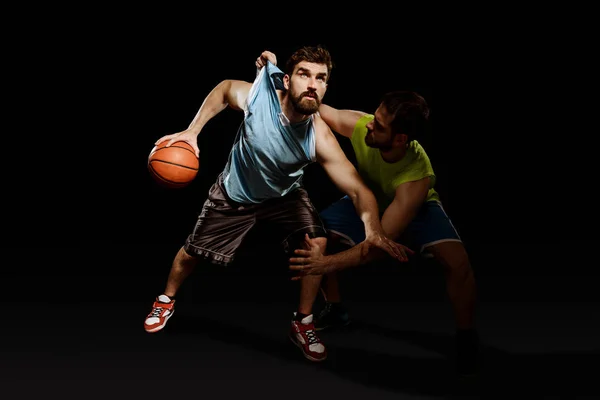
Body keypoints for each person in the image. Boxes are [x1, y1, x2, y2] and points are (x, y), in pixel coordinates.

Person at [143, 46, 412, 363]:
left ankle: (303, 322)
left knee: (318, 240)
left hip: (284, 196)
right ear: (287, 80)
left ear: (326, 86)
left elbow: (356, 188)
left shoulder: (318, 136)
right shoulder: (262, 96)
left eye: (321, 78)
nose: (312, 84)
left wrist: (374, 230)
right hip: (236, 192)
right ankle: (166, 298)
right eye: (304, 75)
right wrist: (193, 131)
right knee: (192, 252)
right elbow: (227, 88)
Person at [287, 90, 480, 376]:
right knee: (319, 233)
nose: (369, 125)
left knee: (458, 263)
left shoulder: (416, 176)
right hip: (372, 199)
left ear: (400, 139)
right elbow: (317, 109)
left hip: (416, 209)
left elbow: (377, 246)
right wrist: (280, 83)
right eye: (373, 117)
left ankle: (466, 338)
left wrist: (323, 264)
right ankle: (336, 311)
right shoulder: (360, 124)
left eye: (379, 125)